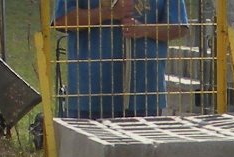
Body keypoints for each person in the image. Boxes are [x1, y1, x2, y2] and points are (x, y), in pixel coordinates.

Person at [53, 0, 190, 119]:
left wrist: (145, 30)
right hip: (89, 96)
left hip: (145, 95)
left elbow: (179, 27)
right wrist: (109, 13)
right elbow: (62, 20)